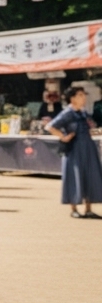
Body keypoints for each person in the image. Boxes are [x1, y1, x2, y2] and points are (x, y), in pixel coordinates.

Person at [47, 86, 102, 218]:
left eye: (84, 95)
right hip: (74, 149)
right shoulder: (68, 113)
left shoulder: (83, 113)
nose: (84, 98)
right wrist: (63, 137)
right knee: (74, 176)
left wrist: (96, 131)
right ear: (72, 99)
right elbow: (50, 126)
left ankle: (88, 209)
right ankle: (74, 209)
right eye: (80, 95)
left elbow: (89, 128)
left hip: (88, 147)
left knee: (91, 175)